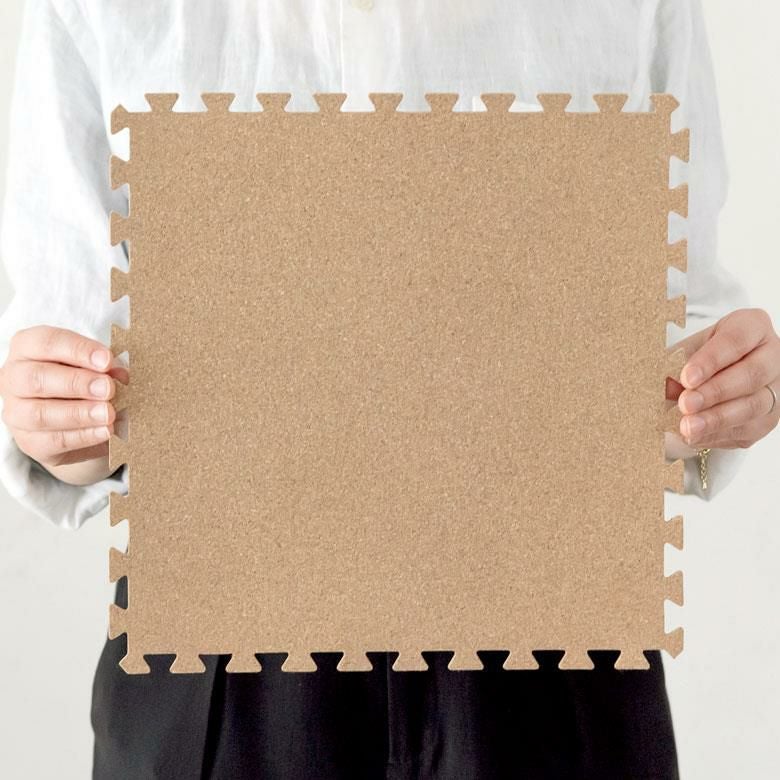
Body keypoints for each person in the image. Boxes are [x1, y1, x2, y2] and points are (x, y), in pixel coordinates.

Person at [0, 1, 778, 778]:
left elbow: (681, 318)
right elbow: (69, 355)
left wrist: (715, 388)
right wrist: (60, 416)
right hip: (226, 661)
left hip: (548, 641)